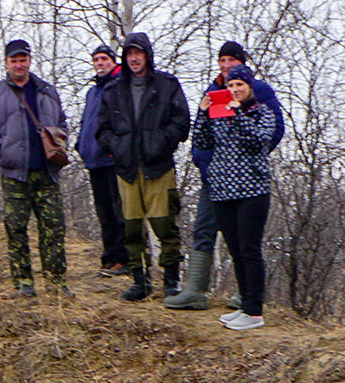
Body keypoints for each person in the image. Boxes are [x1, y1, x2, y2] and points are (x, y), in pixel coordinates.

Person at [169, 41, 286, 310]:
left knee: (246, 243)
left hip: (248, 181)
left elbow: (270, 131)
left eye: (231, 60)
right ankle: (195, 290)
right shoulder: (214, 91)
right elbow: (202, 135)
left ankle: (247, 298)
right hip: (215, 179)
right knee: (205, 229)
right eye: (222, 60)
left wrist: (249, 159)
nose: (225, 66)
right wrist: (204, 160)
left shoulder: (261, 93)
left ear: (243, 66)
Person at [0, 39, 72, 297]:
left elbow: (62, 123)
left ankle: (56, 284)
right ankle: (24, 284)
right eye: (14, 60)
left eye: (22, 59)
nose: (19, 64)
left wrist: (59, 143)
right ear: (6, 63)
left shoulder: (47, 91)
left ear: (29, 60)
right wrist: (0, 146)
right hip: (14, 173)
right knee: (16, 230)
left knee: (53, 229)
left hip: (47, 172)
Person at [97, 31, 190, 302]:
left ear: (147, 55)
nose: (134, 59)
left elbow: (181, 121)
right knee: (131, 229)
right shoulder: (113, 90)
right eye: (129, 54)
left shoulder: (166, 84)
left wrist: (161, 143)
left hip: (158, 167)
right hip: (126, 170)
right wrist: (115, 147)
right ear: (124, 58)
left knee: (165, 226)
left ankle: (171, 281)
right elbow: (101, 129)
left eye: (138, 53)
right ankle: (140, 281)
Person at [191, 65, 277, 330]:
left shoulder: (263, 113)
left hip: (252, 191)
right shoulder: (219, 114)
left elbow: (255, 140)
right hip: (222, 191)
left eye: (239, 85)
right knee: (235, 250)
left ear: (249, 87)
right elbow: (202, 141)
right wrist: (204, 115)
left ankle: (254, 311)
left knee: (250, 250)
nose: (234, 90)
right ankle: (245, 306)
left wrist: (236, 111)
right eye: (230, 86)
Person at [79, 45, 128, 278]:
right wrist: (81, 145)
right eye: (96, 59)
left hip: (113, 159)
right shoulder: (92, 92)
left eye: (104, 59)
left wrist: (116, 149)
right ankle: (109, 258)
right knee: (104, 213)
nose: (100, 63)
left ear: (113, 62)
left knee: (119, 212)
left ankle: (123, 259)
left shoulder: (120, 85)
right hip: (93, 160)